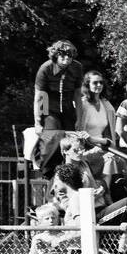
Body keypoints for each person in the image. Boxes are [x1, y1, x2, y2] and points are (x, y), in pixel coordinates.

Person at [33, 40, 85, 174]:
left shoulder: (77, 67)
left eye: (70, 55)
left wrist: (79, 119)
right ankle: (48, 172)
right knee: (52, 138)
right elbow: (40, 97)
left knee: (72, 142)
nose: (66, 58)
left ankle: (69, 172)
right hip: (50, 109)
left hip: (68, 109)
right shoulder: (46, 68)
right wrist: (38, 122)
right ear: (55, 54)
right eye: (63, 55)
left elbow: (78, 96)